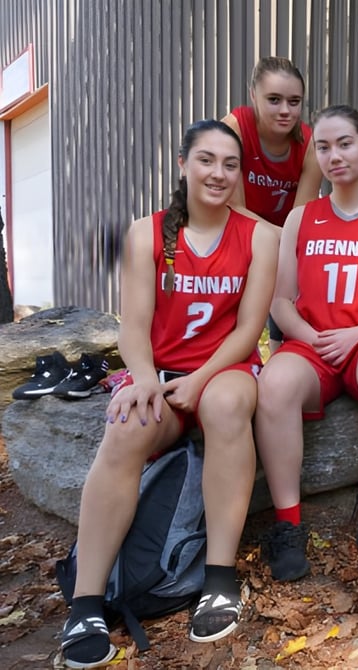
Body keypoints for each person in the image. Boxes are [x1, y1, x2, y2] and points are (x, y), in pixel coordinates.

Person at [59, 120, 278, 667]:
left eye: (231, 164)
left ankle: (219, 579)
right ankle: (85, 604)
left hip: (222, 372)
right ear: (183, 164)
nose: (219, 173)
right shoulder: (146, 233)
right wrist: (143, 380)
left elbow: (247, 332)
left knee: (226, 404)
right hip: (162, 373)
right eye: (206, 160)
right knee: (125, 428)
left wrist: (199, 380)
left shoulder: (259, 237)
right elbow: (133, 328)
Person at [253, 104, 358, 581]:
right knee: (274, 384)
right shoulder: (301, 217)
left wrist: (357, 334)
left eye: (344, 144)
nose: (334, 156)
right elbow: (281, 301)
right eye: (323, 147)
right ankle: (288, 525)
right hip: (313, 346)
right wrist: (313, 337)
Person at [222, 56, 323, 350]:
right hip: (237, 230)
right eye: (274, 100)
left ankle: (281, 346)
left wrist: (290, 241)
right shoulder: (234, 129)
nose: (285, 111)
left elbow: (300, 219)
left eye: (294, 102)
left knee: (296, 261)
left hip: (282, 238)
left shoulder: (309, 144)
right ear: (253, 95)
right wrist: (285, 237)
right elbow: (233, 210)